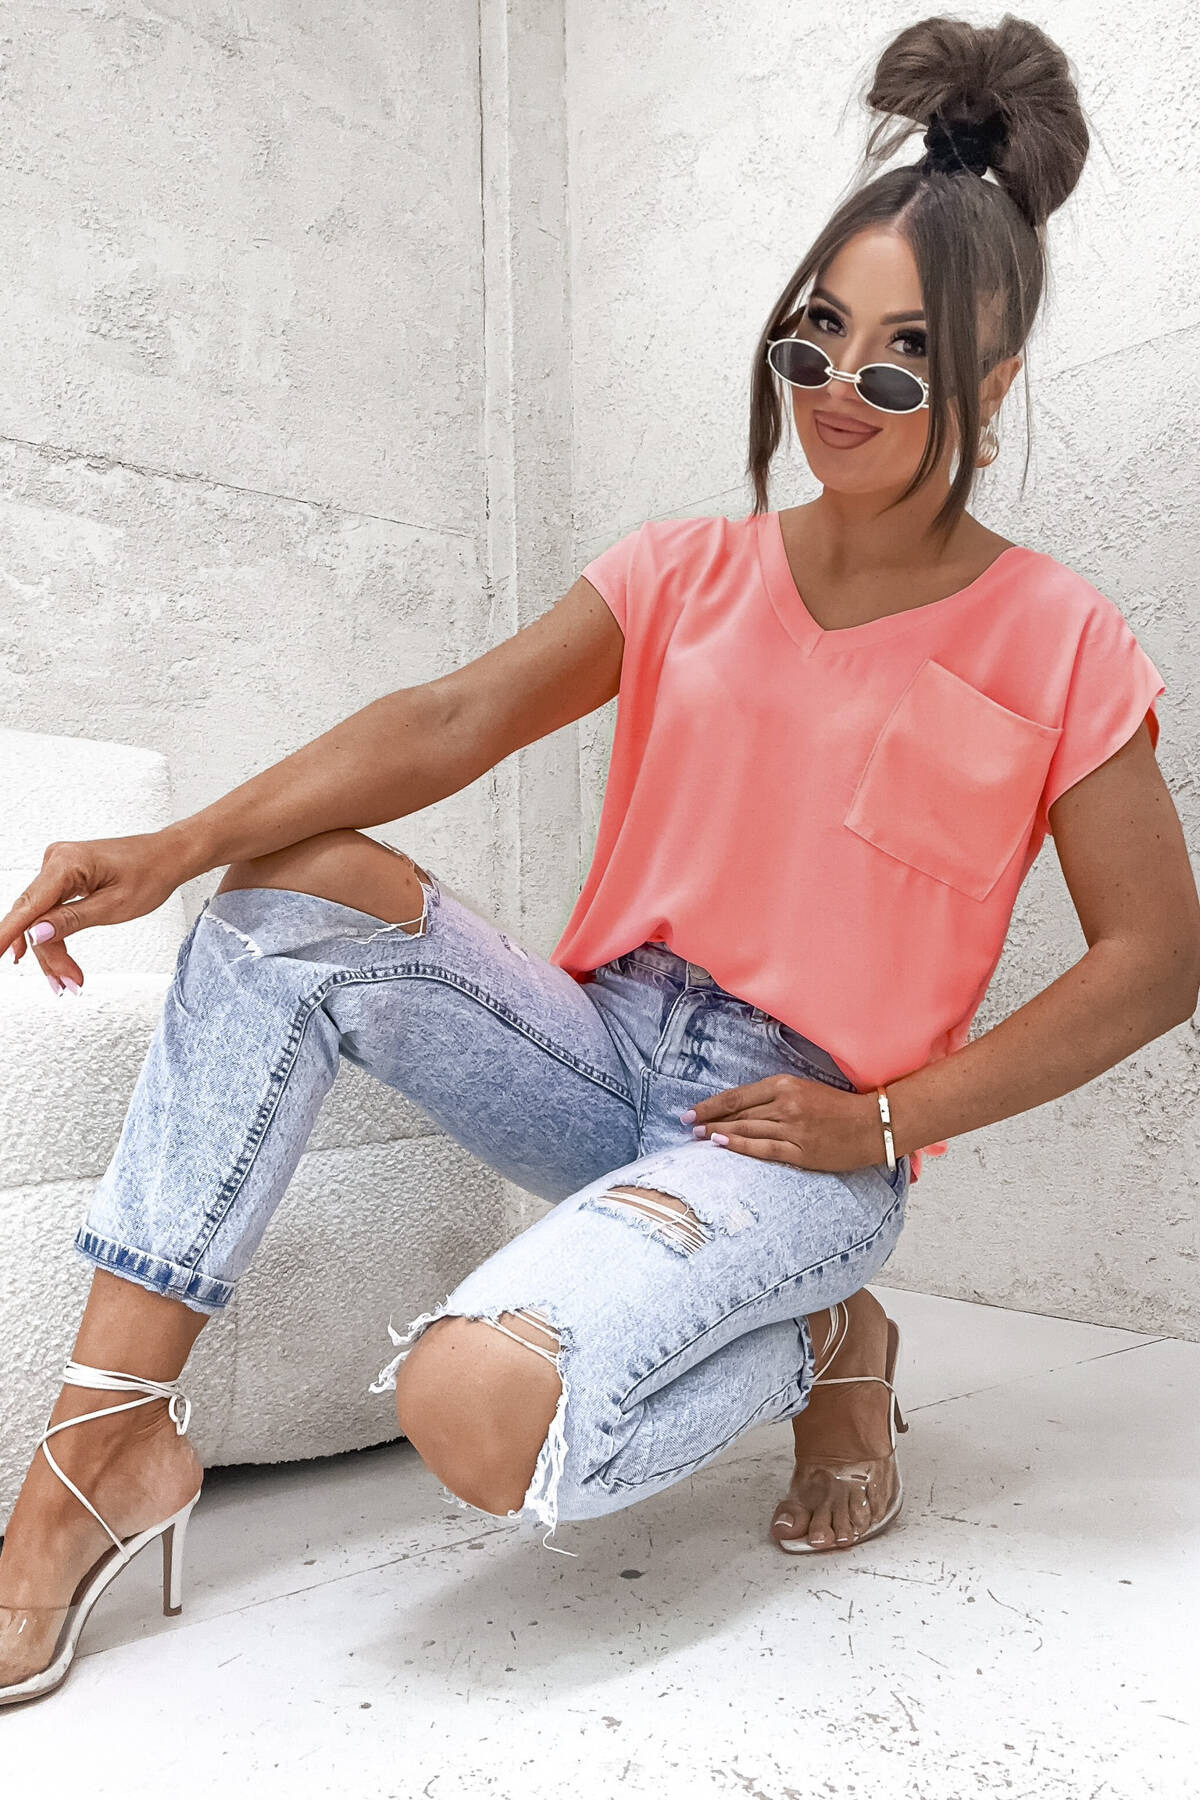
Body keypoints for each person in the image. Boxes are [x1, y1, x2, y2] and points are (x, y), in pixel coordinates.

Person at [2, 12, 1197, 1707]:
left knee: (478, 1410)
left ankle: (821, 1337)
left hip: (801, 1134)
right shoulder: (687, 572)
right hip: (598, 1050)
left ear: (990, 390)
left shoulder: (1056, 637)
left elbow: (1157, 956)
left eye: (902, 361)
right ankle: (101, 1446)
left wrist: (884, 1121)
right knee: (282, 899)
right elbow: (451, 716)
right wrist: (178, 842)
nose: (838, 393)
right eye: (816, 336)